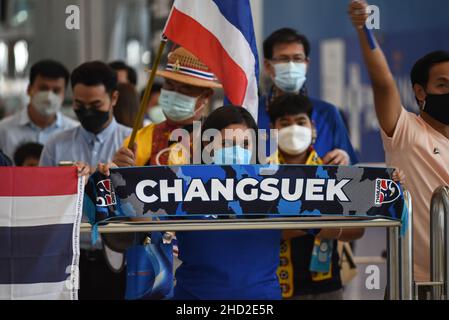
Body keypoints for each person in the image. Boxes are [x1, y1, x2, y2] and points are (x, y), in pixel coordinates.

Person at [349, 0, 449, 290]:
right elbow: (383, 83)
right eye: (442, 85)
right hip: (418, 283)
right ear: (420, 91)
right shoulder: (405, 131)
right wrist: (363, 29)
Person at [39, 61, 132, 300]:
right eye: (79, 105)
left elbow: (148, 205)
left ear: (114, 98)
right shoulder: (56, 146)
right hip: (68, 260)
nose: (87, 111)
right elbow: (41, 204)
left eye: (95, 105)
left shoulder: (133, 143)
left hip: (120, 259)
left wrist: (126, 177)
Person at [268, 94, 365, 300]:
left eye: (300, 122)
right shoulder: (263, 173)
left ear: (312, 127)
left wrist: (304, 223)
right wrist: (318, 222)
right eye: (284, 123)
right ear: (272, 130)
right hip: (277, 285)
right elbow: (265, 231)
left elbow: (358, 228)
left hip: (328, 285)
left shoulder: (334, 169)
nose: (293, 129)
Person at [259, 28, 358, 165]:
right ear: (268, 66)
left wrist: (344, 158)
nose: (291, 65)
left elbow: (353, 170)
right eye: (283, 59)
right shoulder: (252, 112)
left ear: (306, 64)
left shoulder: (327, 113)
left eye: (297, 58)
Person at [112, 47, 219, 168]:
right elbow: (121, 183)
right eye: (169, 85)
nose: (174, 94)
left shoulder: (219, 138)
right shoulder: (139, 139)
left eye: (185, 89)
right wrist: (118, 170)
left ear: (206, 95)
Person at [0, 60, 78, 161]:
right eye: (43, 88)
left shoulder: (74, 132)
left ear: (64, 94)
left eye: (56, 90)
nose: (49, 97)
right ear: (29, 89)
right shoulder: (3, 130)